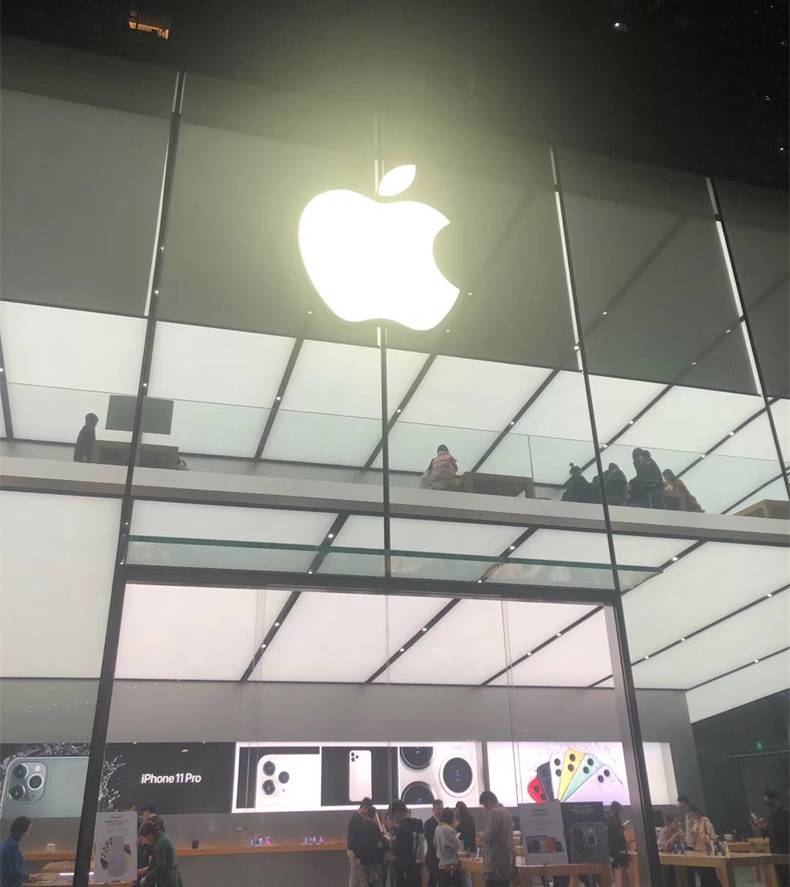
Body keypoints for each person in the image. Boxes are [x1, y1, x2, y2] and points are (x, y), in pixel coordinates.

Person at [753, 789, 789, 887]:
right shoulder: (772, 814)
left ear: (775, 799)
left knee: (786, 875)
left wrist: (766, 826)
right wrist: (761, 827)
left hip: (785, 848)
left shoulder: (785, 813)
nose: (767, 803)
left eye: (768, 800)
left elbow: (782, 830)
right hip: (775, 848)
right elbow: (769, 833)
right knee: (781, 876)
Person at [478, 790, 514, 887]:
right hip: (506, 860)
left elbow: (488, 836)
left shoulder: (494, 812)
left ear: (488, 801)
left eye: (484, 805)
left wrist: (481, 835)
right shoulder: (506, 812)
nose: (485, 809)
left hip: (495, 862)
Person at [350, 805, 389, 887]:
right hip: (375, 861)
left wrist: (359, 856)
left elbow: (353, 843)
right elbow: (385, 843)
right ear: (375, 816)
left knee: (364, 882)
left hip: (363, 862)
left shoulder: (360, 827)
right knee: (377, 883)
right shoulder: (376, 828)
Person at [137, 818, 182, 887]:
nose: (144, 843)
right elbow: (158, 862)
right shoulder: (161, 837)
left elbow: (161, 866)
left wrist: (147, 879)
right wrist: (148, 869)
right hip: (168, 878)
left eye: (144, 839)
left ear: (149, 835)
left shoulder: (161, 843)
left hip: (169, 881)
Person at [389, 800, 423, 887]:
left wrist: (391, 843)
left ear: (396, 812)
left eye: (392, 816)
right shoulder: (418, 825)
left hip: (404, 871)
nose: (393, 819)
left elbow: (397, 852)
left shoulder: (401, 830)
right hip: (417, 868)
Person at [687, 804, 717, 886]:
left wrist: (702, 836)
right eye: (690, 816)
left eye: (692, 815)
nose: (692, 818)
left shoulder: (706, 822)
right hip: (697, 851)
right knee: (702, 876)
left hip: (706, 851)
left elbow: (713, 838)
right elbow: (694, 838)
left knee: (709, 875)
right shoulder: (695, 823)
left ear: (697, 812)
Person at [1, 816, 33, 887]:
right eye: (27, 830)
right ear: (22, 830)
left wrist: (28, 877)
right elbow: (13, 871)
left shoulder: (8, 842)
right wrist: (30, 877)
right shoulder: (12, 845)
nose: (27, 834)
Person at [434, 807, 463, 887]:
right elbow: (458, 846)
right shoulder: (448, 829)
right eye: (454, 816)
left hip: (441, 864)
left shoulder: (437, 828)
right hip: (450, 867)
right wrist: (455, 828)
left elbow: (435, 844)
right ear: (450, 817)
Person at [348, 798, 373, 887]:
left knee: (356, 875)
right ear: (364, 807)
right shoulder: (357, 818)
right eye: (368, 810)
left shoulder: (356, 817)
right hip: (355, 851)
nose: (367, 813)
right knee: (357, 876)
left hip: (354, 850)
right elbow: (358, 836)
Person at [424, 799, 445, 887]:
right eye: (437, 809)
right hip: (433, 857)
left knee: (443, 881)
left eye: (441, 809)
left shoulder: (445, 822)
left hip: (444, 858)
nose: (440, 811)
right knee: (433, 880)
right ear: (433, 810)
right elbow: (431, 842)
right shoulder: (428, 823)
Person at [606, 801, 629, 871]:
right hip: (616, 846)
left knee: (619, 865)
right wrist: (621, 828)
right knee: (618, 865)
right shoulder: (611, 818)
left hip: (616, 846)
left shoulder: (613, 817)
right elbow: (615, 830)